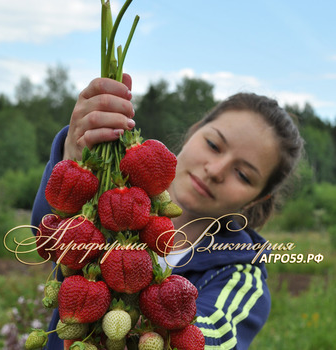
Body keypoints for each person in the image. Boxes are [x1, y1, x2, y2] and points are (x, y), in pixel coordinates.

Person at [31, 74, 304, 349]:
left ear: (257, 199)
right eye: (213, 145)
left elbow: (212, 339)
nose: (215, 170)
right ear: (195, 130)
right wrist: (73, 161)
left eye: (243, 175)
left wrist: (137, 322)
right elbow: (46, 238)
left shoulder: (242, 278)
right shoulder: (116, 196)